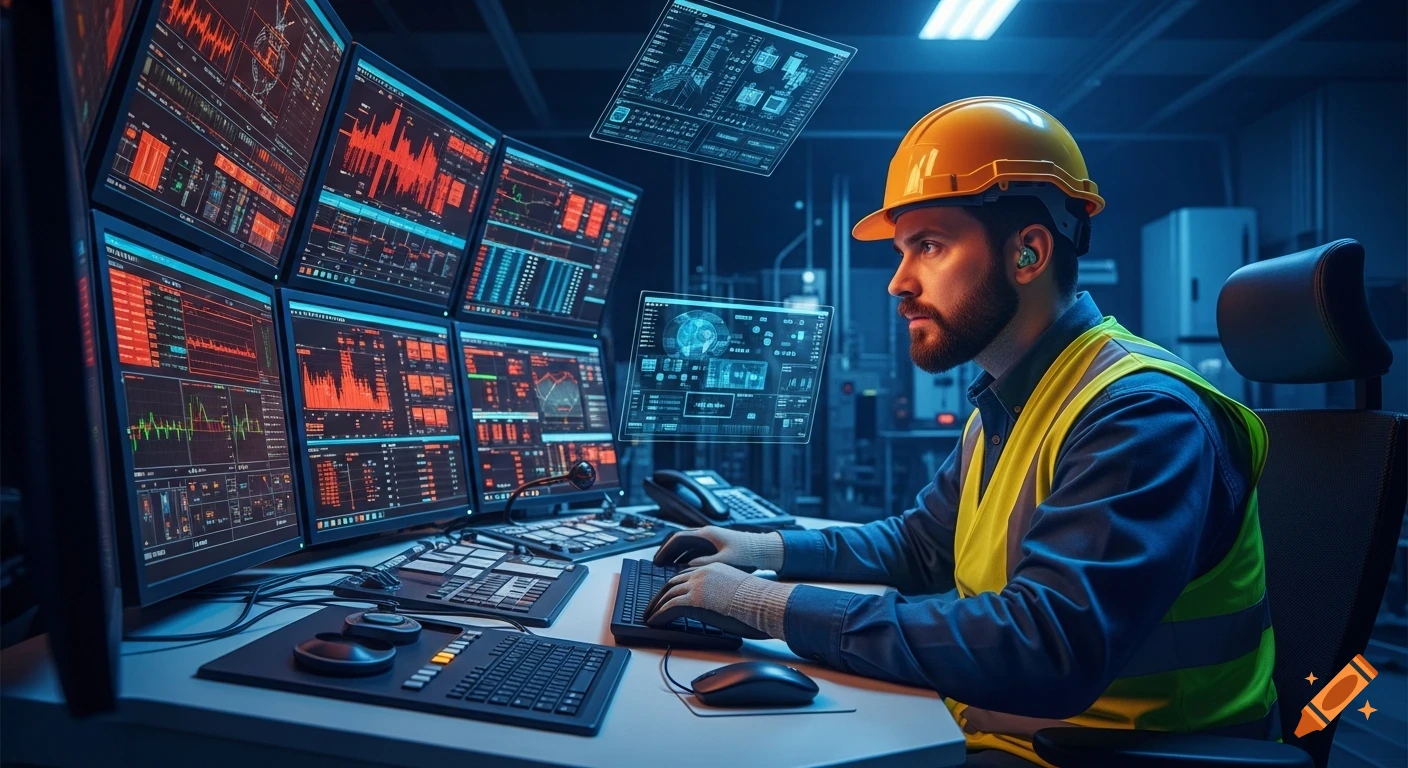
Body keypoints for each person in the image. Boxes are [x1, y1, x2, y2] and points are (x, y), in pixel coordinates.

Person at [645, 97, 1279, 767]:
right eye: (900, 251)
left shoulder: (1142, 414)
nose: (898, 282)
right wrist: (761, 549)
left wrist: (765, 606)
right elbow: (919, 545)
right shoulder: (1010, 402)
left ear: (1028, 253)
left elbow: (1045, 643)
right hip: (1003, 728)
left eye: (929, 246)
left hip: (1100, 753)